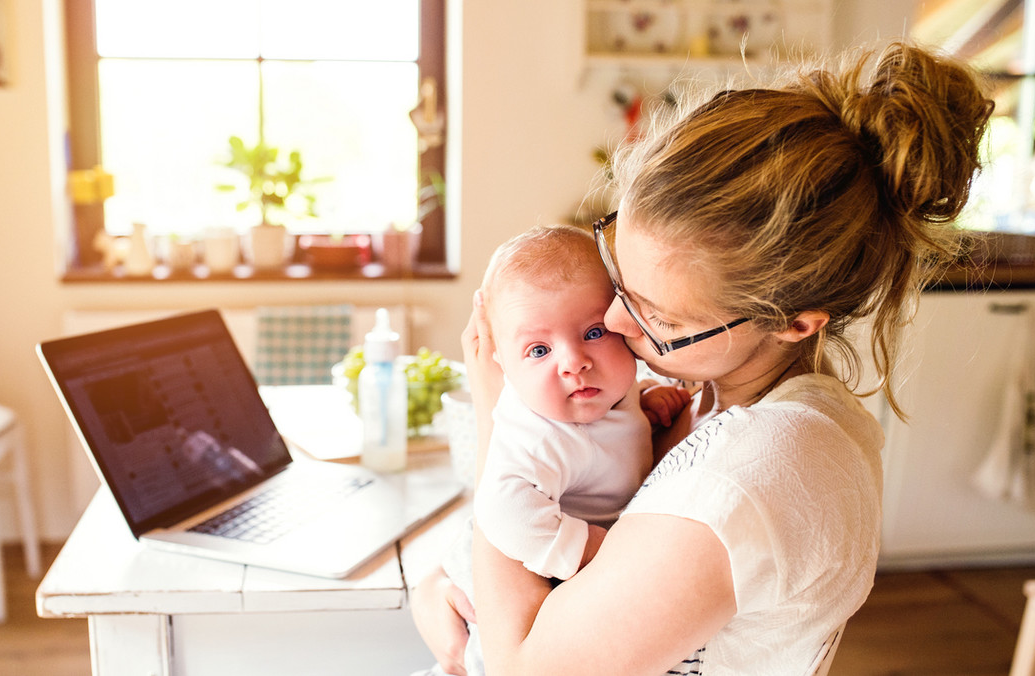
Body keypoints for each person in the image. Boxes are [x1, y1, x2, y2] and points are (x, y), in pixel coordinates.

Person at [410, 40, 993, 675]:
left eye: (660, 317)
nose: (612, 322)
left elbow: (524, 668)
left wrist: (505, 410)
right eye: (619, 282)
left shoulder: (750, 478)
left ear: (796, 323)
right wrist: (445, 578)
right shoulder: (705, 395)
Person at [427, 224, 691, 676]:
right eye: (539, 349)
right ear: (500, 363)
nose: (573, 362)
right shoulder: (537, 434)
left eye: (593, 332)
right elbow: (505, 510)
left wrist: (644, 400)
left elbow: (611, 424)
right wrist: (588, 550)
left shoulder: (602, 391)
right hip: (526, 561)